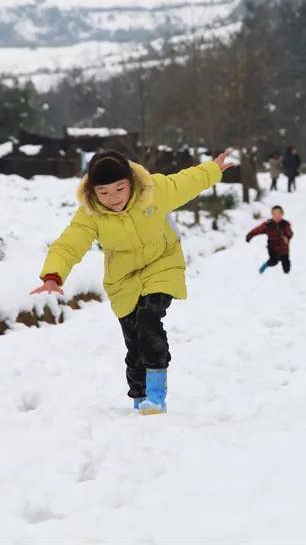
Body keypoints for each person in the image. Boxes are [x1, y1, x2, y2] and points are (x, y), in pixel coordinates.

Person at [30, 148, 235, 415]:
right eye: (103, 193)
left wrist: (212, 169)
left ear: (131, 182)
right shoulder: (90, 213)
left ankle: (156, 395)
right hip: (123, 280)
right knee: (134, 339)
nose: (112, 199)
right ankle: (139, 397)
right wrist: (53, 275)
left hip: (162, 264)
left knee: (149, 320)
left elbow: (185, 182)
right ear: (93, 191)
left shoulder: (153, 190)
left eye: (119, 189)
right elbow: (69, 245)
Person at [246, 205, 294, 274]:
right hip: (272, 247)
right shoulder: (268, 224)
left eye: (279, 214)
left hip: (284, 248)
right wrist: (250, 235)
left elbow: (290, 232)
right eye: (274, 214)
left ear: (282, 214)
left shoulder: (286, 224)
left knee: (286, 263)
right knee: (273, 261)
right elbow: (258, 230)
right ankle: (265, 265)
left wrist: (287, 236)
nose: (277, 216)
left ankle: (287, 275)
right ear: (272, 214)